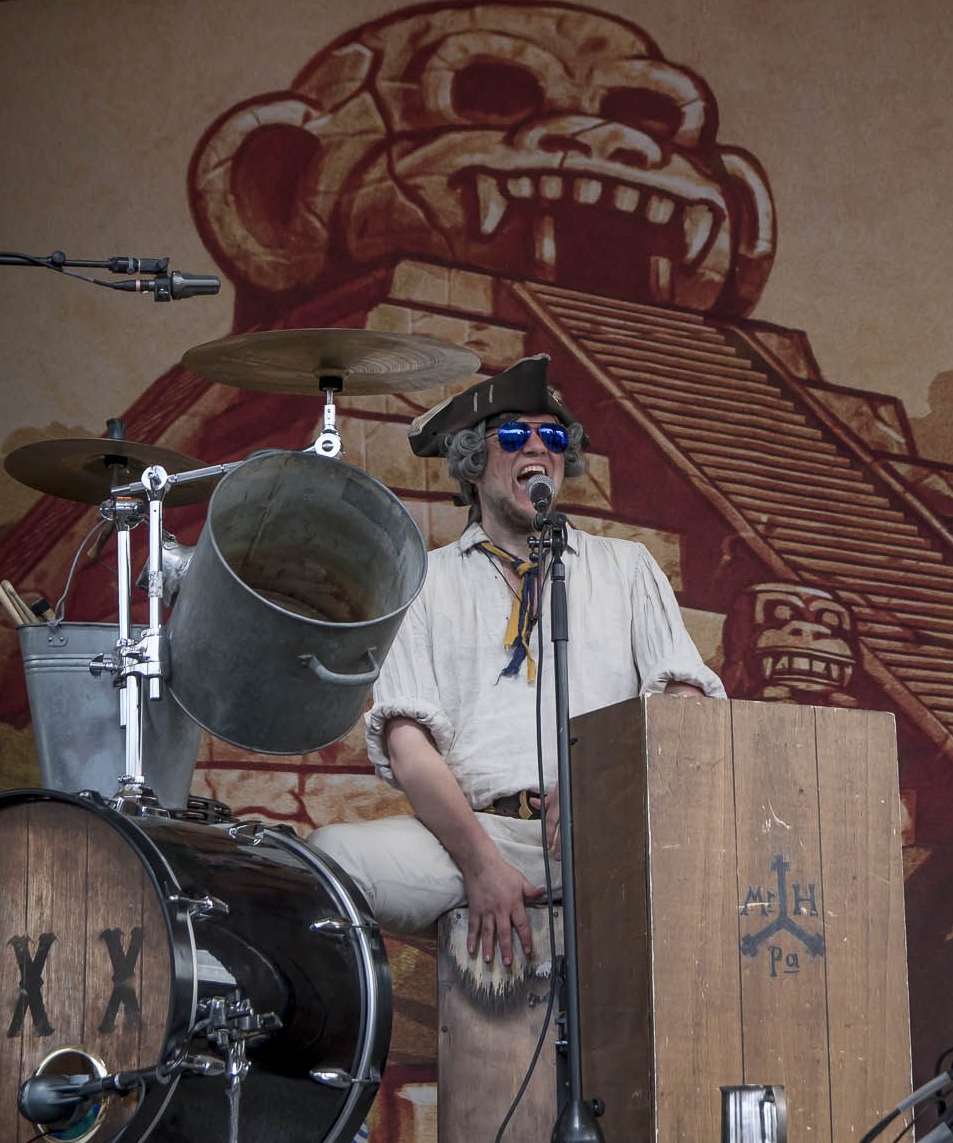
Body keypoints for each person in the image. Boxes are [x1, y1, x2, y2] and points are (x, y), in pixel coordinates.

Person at [309, 355, 726, 966]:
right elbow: (406, 743)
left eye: (552, 437)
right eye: (512, 435)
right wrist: (481, 865)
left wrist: (599, 775)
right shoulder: (424, 582)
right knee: (330, 859)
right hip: (477, 838)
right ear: (473, 463)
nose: (537, 447)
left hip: (610, 828)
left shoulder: (627, 565)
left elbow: (685, 704)